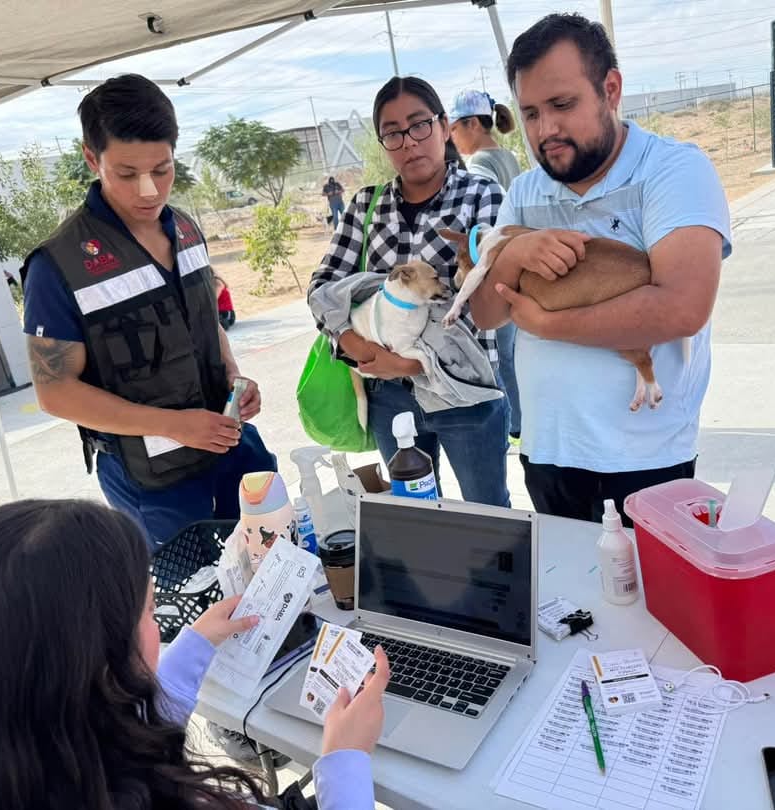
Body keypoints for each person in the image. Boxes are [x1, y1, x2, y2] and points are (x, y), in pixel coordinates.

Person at [0, 499, 389, 810]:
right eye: (149, 613)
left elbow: (124, 726)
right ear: (97, 670)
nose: (159, 630)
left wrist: (195, 645)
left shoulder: (6, 771)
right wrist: (344, 762)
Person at [470, 13, 732, 525]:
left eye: (562, 105)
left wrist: (547, 324)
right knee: (565, 578)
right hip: (547, 451)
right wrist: (516, 254)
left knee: (646, 579)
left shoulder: (672, 170)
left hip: (645, 458)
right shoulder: (524, 191)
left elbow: (681, 308)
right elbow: (485, 313)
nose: (545, 129)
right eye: (530, 113)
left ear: (610, 89)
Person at [21, 74, 276, 553]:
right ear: (92, 159)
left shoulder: (186, 230)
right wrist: (173, 424)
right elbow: (55, 392)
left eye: (162, 169)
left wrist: (233, 376)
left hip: (230, 450)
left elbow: (205, 321)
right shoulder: (58, 265)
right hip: (155, 480)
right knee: (196, 592)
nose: (148, 190)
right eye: (126, 173)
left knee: (276, 567)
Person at [308, 76, 511, 508]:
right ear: (383, 143)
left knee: (490, 514)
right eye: (393, 133)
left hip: (464, 390)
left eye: (419, 125)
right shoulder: (365, 206)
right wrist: (354, 345)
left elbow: (491, 298)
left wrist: (408, 362)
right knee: (413, 515)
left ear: (443, 126)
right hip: (390, 396)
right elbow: (323, 287)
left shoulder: (482, 196)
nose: (409, 142)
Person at [449, 88, 525, 448]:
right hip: (519, 267)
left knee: (500, 359)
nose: (452, 137)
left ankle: (516, 427)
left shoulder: (479, 165)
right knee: (515, 355)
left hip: (496, 273)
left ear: (472, 125)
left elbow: (484, 234)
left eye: (453, 128)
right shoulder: (507, 156)